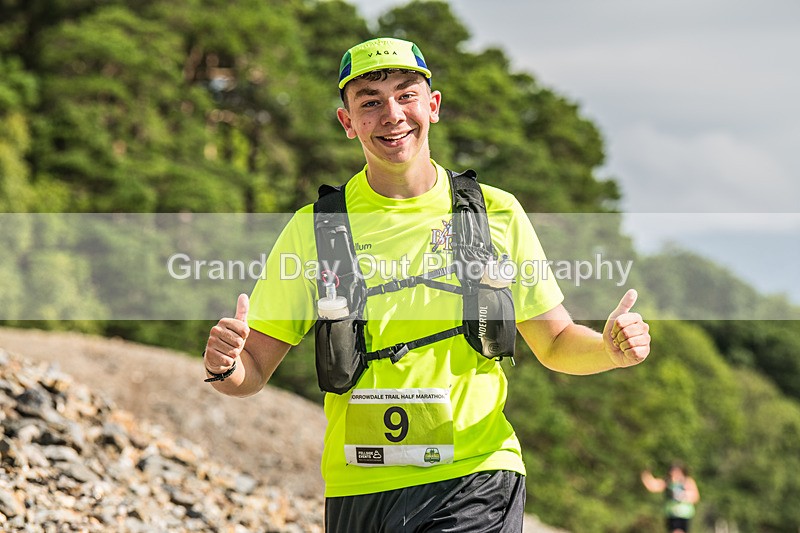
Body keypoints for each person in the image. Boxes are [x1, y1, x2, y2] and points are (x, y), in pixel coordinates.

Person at [203, 37, 651, 532]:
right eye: (370, 102)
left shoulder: (496, 213)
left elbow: (556, 342)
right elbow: (253, 370)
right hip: (360, 485)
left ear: (432, 106)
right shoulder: (316, 228)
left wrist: (609, 350)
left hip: (477, 476)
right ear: (347, 122)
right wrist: (226, 366)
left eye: (405, 95)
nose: (392, 114)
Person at [641, 463, 700, 533]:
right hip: (671, 514)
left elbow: (695, 496)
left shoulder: (687, 482)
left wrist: (683, 496)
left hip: (683, 514)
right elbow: (653, 486)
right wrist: (645, 474)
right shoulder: (668, 482)